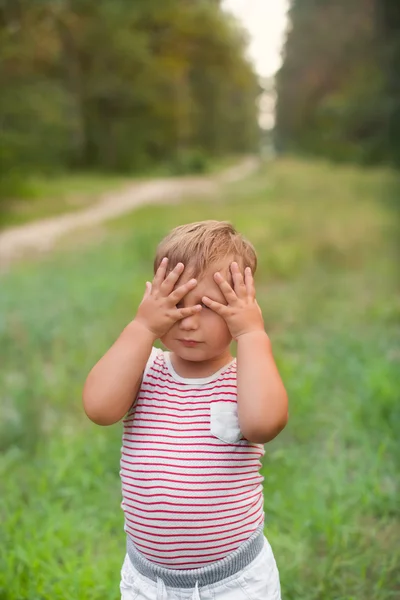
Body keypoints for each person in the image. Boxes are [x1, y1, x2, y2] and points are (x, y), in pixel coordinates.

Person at [83, 220, 288, 600]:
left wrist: (252, 335)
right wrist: (143, 326)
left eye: (210, 307)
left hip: (235, 582)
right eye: (175, 304)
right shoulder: (145, 369)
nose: (189, 321)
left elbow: (263, 424)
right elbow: (99, 408)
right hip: (149, 582)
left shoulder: (245, 379)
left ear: (242, 308)